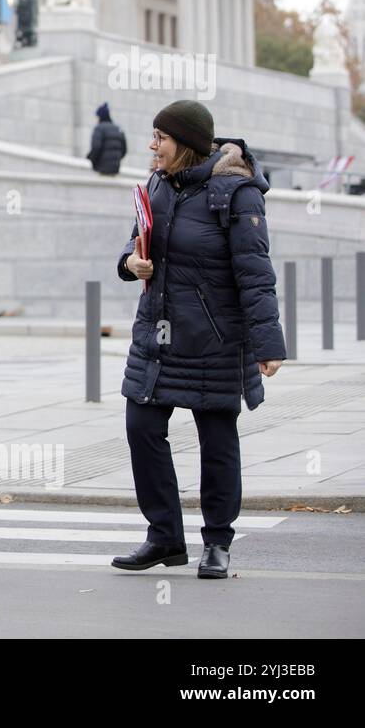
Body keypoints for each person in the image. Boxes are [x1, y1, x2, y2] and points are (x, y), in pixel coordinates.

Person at [113, 100, 285, 580]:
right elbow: (135, 241)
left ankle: (217, 542)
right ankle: (165, 536)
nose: (152, 145)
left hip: (215, 337)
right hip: (158, 334)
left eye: (160, 138)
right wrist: (131, 263)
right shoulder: (156, 184)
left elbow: (256, 274)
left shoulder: (236, 192)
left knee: (217, 440)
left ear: (184, 144)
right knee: (142, 427)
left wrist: (268, 342)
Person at [87, 102, 128, 176]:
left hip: (102, 169)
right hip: (115, 169)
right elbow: (124, 150)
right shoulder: (118, 129)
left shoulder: (99, 128)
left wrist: (93, 161)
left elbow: (95, 148)